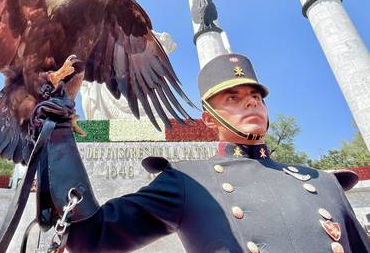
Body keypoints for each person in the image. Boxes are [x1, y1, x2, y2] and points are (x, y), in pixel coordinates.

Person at [36, 53, 370, 253]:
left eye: (256, 96)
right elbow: (91, 235)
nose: (251, 102)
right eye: (233, 98)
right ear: (209, 119)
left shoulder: (324, 183)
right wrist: (61, 133)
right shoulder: (188, 181)